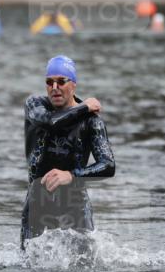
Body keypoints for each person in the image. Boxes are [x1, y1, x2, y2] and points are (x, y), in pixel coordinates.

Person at [21, 55, 115, 248]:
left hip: (76, 202)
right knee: (30, 271)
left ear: (73, 85)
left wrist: (71, 175)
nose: (54, 87)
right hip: (38, 201)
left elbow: (108, 165)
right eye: (49, 82)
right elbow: (51, 122)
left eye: (61, 81)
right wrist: (84, 107)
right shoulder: (34, 106)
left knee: (85, 270)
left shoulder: (91, 121)